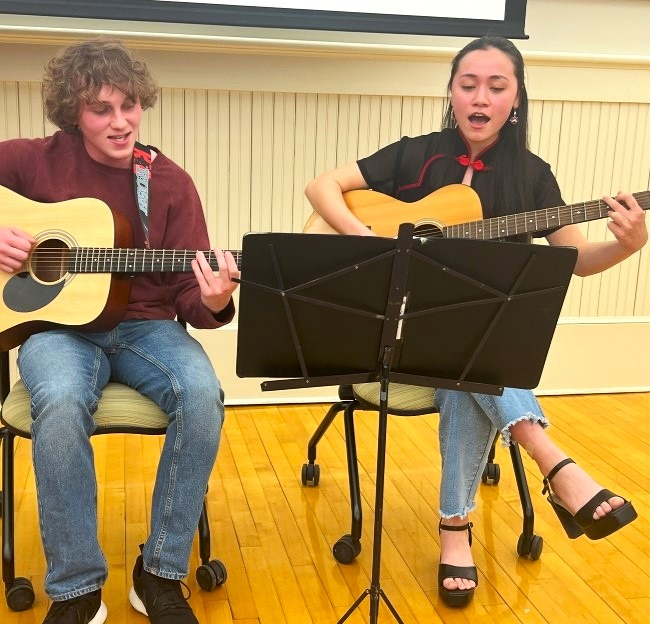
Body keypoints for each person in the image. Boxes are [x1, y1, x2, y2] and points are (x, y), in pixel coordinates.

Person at [304, 35, 645, 608]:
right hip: (392, 332)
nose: (480, 96)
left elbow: (578, 261)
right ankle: (553, 464)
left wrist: (629, 245)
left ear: (517, 98)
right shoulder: (415, 154)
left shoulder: (533, 177)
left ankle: (454, 526)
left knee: (471, 358)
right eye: (468, 84)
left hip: (466, 348)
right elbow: (322, 187)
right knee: (478, 353)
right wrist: (369, 240)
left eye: (496, 85)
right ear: (452, 92)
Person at [0, 38, 239, 624]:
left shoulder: (169, 181)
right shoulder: (35, 160)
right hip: (57, 329)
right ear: (72, 112)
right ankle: (77, 587)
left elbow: (189, 290)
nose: (120, 122)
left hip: (145, 328)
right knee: (58, 400)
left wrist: (212, 298)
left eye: (129, 106)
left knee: (203, 395)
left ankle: (158, 573)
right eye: (101, 109)